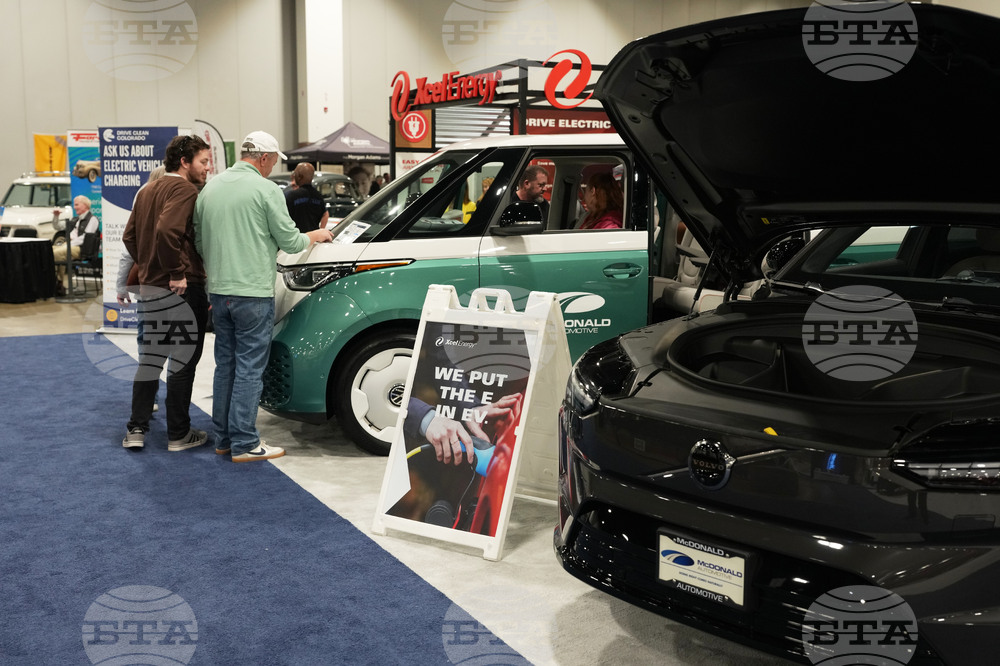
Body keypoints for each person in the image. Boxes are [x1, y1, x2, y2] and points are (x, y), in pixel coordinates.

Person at [194, 131, 333, 463]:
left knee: (225, 366)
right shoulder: (266, 189)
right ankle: (245, 442)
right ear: (265, 158)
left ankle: (224, 439)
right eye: (272, 162)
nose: (272, 168)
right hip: (253, 293)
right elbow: (291, 241)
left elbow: (199, 241)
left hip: (219, 292)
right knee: (249, 368)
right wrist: (317, 234)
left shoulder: (210, 188)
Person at [121, 135, 212, 452]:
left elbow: (129, 237)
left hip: (151, 289)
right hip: (181, 289)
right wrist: (175, 272)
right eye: (203, 161)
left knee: (150, 359)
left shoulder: (147, 190)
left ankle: (136, 428)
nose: (207, 167)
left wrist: (149, 265)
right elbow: (166, 230)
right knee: (182, 363)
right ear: (184, 162)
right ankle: (178, 434)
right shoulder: (184, 190)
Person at [116, 165, 167, 414]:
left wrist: (121, 286)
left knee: (147, 341)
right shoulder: (175, 198)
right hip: (171, 283)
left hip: (147, 284)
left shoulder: (142, 197)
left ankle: (149, 397)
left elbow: (128, 249)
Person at [53, 196, 100, 291]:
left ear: (85, 205)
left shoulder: (93, 219)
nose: (74, 207)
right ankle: (58, 283)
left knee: (56, 253)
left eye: (77, 205)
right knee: (48, 252)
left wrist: (68, 244)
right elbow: (58, 227)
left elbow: (86, 238)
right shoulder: (75, 219)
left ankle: (58, 283)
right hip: (69, 245)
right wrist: (56, 216)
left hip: (80, 248)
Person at [283, 163, 328, 232]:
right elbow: (325, 214)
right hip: (314, 237)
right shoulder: (318, 196)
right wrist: (321, 230)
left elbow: (282, 218)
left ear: (299, 177)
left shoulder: (290, 196)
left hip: (297, 236)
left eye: (295, 174)